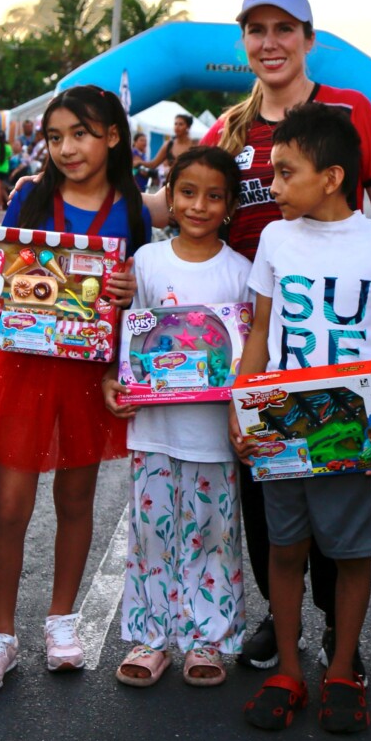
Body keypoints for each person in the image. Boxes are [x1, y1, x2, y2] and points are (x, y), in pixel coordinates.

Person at [199, 0, 371, 676]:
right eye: (256, 30)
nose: (270, 43)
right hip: (259, 330)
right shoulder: (229, 128)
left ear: (308, 38)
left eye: (284, 28)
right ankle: (278, 616)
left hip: (340, 336)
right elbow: (190, 202)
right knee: (270, 503)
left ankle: (335, 634)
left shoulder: (349, 110)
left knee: (338, 499)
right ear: (243, 41)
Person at [0, 85, 149, 690]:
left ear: (112, 136)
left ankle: (62, 620)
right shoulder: (30, 196)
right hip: (22, 368)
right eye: (55, 137)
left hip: (88, 373)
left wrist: (131, 289)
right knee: (10, 505)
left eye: (80, 134)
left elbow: (143, 290)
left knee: (76, 500)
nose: (66, 148)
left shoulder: (132, 209)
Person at [231, 103, 371, 734]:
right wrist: (242, 404)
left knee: (352, 553)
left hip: (356, 428)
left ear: (332, 177)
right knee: (285, 549)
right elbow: (260, 329)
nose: (272, 185)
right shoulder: (275, 239)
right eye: (271, 172)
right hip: (282, 424)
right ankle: (289, 670)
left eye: (285, 172)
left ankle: (340, 670)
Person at [102, 146, 250, 688]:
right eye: (187, 193)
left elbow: (248, 351)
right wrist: (111, 381)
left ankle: (207, 639)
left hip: (213, 434)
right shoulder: (146, 261)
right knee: (150, 535)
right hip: (155, 430)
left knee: (212, 537)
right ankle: (151, 637)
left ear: (230, 205)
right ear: (170, 195)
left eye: (214, 196)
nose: (199, 206)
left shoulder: (242, 271)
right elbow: (124, 337)